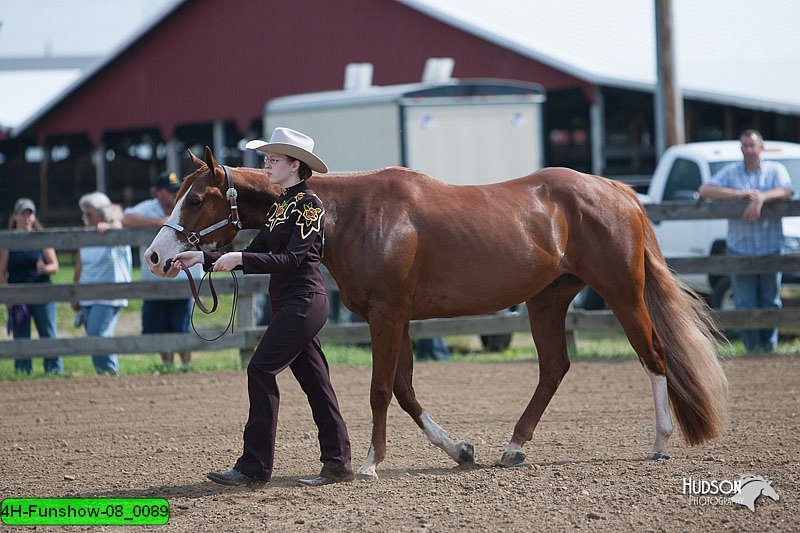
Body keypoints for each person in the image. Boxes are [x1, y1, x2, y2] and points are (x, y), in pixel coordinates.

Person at [172, 127, 353, 487]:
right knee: (316, 383)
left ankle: (255, 467)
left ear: (295, 165)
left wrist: (239, 259)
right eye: (268, 159)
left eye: (274, 159)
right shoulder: (281, 207)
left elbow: (290, 259)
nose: (266, 165)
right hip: (290, 303)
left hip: (304, 301)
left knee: (260, 369)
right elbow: (256, 251)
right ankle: (337, 464)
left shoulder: (309, 206)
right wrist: (202, 258)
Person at [698, 129, 793, 352]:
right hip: (740, 249)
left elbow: (787, 190)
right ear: (741, 149)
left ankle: (768, 349)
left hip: (771, 249)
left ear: (762, 147)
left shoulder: (774, 170)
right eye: (745, 146)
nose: (749, 150)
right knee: (745, 303)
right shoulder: (731, 172)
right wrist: (739, 195)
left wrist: (761, 197)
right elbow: (705, 189)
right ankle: (753, 351)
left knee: (770, 302)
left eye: (752, 145)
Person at [122, 172, 201, 370]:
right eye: (170, 190)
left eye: (176, 190)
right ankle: (167, 364)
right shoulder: (149, 208)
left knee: (181, 324)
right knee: (158, 324)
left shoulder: (187, 205)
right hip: (155, 279)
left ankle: (186, 365)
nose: (174, 194)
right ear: (158, 193)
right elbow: (126, 218)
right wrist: (158, 223)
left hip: (183, 277)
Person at [0, 198, 63, 374]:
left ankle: (54, 371)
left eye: (30, 214)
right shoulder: (7, 242)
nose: (27, 217)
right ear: (15, 216)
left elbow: (55, 266)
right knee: (21, 338)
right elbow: (1, 273)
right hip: (19, 295)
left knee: (48, 334)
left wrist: (45, 268)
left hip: (42, 293)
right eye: (23, 214)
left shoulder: (41, 238)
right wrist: (9, 296)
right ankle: (23, 372)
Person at [73, 192, 133, 375]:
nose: (85, 218)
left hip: (109, 295)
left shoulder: (113, 231)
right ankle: (104, 375)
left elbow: (121, 224)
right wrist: (75, 293)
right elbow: (80, 265)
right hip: (88, 295)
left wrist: (110, 226)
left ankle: (110, 373)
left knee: (98, 336)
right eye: (84, 214)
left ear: (101, 213)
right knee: (95, 338)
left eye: (89, 214)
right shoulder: (87, 235)